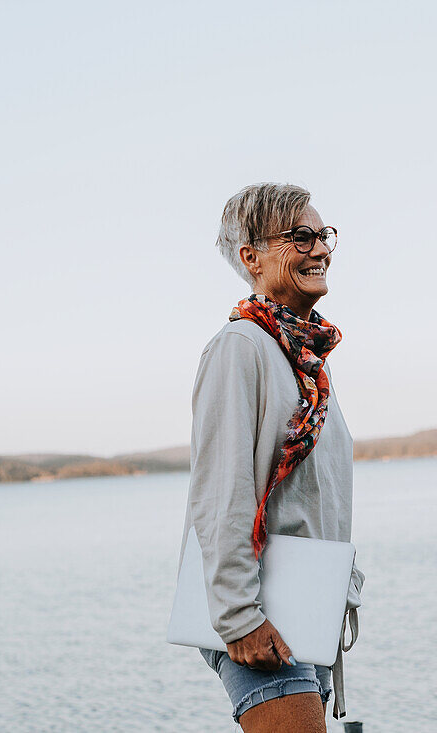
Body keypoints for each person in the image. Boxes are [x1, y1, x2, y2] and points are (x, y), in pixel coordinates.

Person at [178, 183, 364, 732]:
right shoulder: (241, 348)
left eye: (323, 235)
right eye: (299, 236)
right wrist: (237, 619)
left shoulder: (305, 365)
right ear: (251, 257)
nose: (319, 248)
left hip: (308, 609)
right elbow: (222, 490)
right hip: (259, 613)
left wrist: (338, 596)